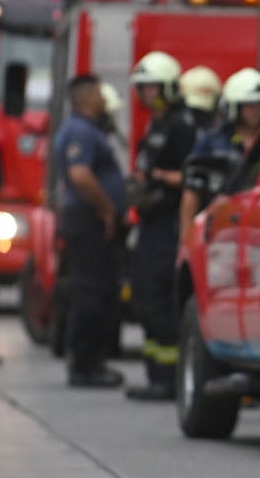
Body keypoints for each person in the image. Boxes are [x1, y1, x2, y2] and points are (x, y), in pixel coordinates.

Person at [124, 53, 204, 402]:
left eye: (152, 87)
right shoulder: (154, 125)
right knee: (144, 297)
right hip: (150, 223)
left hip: (169, 224)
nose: (146, 94)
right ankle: (155, 374)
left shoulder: (181, 126)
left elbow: (193, 176)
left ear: (169, 87)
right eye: (142, 88)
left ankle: (169, 379)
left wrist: (159, 178)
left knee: (160, 299)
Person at [55, 74, 127, 389]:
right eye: (99, 93)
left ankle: (93, 361)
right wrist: (107, 208)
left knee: (99, 291)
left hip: (91, 220)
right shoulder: (81, 131)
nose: (103, 98)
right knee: (90, 292)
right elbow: (80, 175)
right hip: (89, 221)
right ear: (85, 97)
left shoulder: (88, 129)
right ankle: (84, 365)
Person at [178, 68, 260, 235]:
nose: (255, 110)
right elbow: (192, 192)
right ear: (233, 106)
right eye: (249, 105)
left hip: (259, 228)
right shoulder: (211, 142)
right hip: (218, 228)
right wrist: (186, 236)